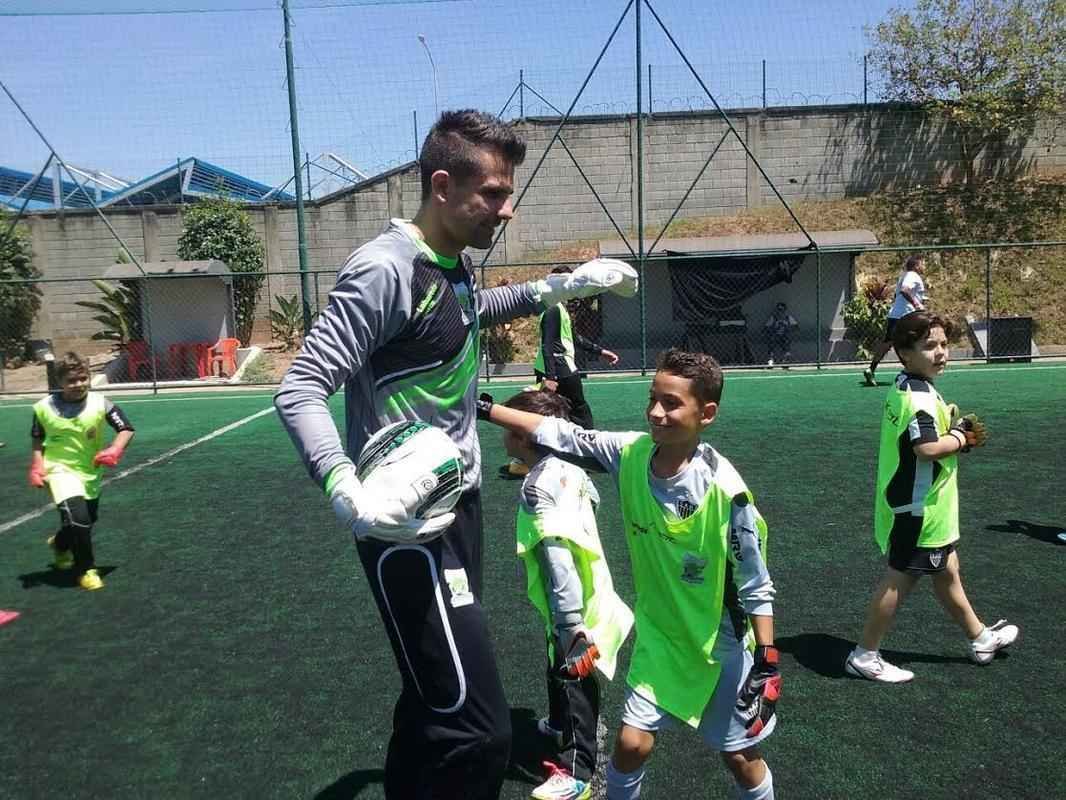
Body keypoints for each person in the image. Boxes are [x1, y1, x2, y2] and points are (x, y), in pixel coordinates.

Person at [273, 109, 638, 800]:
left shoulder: (451, 263)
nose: (508, 207)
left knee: (430, 702)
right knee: (477, 729)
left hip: (457, 507)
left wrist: (555, 288)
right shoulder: (383, 270)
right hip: (403, 524)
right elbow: (299, 391)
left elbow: (462, 309)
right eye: (494, 193)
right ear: (442, 186)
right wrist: (347, 489)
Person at [478, 348, 780, 800]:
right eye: (653, 398)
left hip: (719, 644)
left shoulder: (727, 493)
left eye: (672, 403)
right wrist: (485, 409)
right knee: (630, 746)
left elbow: (756, 584)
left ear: (707, 413)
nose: (656, 412)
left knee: (739, 758)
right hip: (660, 638)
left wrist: (768, 660)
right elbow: (564, 434)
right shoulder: (632, 454)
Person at [846, 312, 1018, 683]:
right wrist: (959, 438)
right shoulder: (920, 400)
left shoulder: (906, 384)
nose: (941, 353)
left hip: (919, 503)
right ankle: (865, 655)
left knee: (947, 570)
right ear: (904, 353)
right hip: (918, 508)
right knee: (900, 578)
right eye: (929, 346)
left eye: (943, 345)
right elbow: (926, 447)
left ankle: (980, 637)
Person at [501, 388, 633, 800]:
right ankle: (558, 724)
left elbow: (557, 557)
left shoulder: (536, 488)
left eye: (508, 429)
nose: (503, 436)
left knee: (573, 675)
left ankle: (578, 772)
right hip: (585, 595)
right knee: (554, 667)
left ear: (524, 436)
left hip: (574, 608)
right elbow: (591, 502)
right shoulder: (572, 468)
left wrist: (570, 624)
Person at [27, 351, 134, 591]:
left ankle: (60, 544)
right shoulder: (43, 408)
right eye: (71, 381)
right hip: (59, 471)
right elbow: (37, 438)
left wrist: (115, 449)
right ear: (60, 382)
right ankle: (87, 570)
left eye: (83, 379)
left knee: (86, 519)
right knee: (80, 519)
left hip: (90, 470)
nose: (78, 385)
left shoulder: (101, 403)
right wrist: (37, 465)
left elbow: (126, 428)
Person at [500, 271, 621, 480]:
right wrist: (551, 377)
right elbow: (548, 345)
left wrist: (600, 352)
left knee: (545, 411)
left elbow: (573, 338)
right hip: (559, 369)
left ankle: (529, 459)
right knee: (576, 410)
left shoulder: (558, 308)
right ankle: (590, 455)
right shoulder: (553, 309)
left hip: (555, 369)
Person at [864, 254, 928, 386]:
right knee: (909, 342)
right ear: (916, 265)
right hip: (905, 316)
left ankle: (871, 369)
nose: (924, 266)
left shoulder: (906, 275)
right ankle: (911, 373)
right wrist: (916, 303)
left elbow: (899, 293)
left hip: (897, 314)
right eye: (923, 263)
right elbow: (905, 291)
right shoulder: (912, 276)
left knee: (888, 343)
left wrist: (920, 299)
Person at [762, 302, 797, 368]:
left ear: (785, 310)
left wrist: (787, 328)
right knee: (771, 344)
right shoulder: (773, 318)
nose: (780, 312)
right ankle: (770, 361)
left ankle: (785, 361)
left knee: (786, 344)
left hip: (784, 335)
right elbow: (766, 327)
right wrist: (773, 329)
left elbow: (796, 327)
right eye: (779, 310)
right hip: (775, 335)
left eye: (782, 310)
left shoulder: (788, 318)